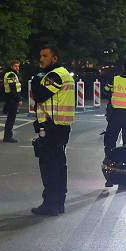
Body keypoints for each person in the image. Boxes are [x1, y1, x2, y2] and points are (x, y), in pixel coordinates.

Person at [30, 43, 75, 216]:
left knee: (49, 166)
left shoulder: (55, 75)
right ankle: (58, 203)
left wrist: (36, 80)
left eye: (45, 56)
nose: (41, 59)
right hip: (60, 126)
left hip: (52, 127)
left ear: (54, 58)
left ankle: (50, 204)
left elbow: (40, 95)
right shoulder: (64, 74)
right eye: (40, 56)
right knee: (58, 165)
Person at [103, 55, 126, 186]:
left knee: (110, 144)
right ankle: (125, 178)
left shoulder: (114, 80)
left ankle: (109, 176)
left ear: (123, 66)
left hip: (115, 116)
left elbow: (106, 90)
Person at [2, 59, 22, 143]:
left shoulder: (11, 74)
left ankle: (8, 136)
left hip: (10, 99)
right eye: (15, 66)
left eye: (18, 66)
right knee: (11, 119)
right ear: (11, 66)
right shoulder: (11, 75)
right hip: (12, 99)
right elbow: (13, 89)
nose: (17, 68)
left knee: (10, 118)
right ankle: (8, 137)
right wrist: (19, 99)